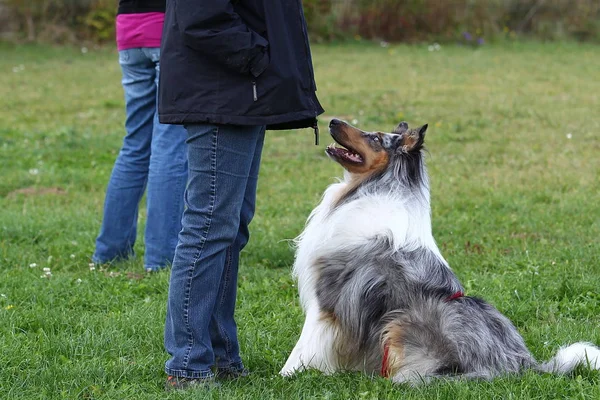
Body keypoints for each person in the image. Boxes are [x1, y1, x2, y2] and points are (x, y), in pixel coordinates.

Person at [158, 0, 324, 390]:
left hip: (241, 92)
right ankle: (187, 365)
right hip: (222, 90)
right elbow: (200, 15)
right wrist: (255, 56)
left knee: (229, 227)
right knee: (208, 227)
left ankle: (220, 356)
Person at [92, 0, 188, 272]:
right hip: (166, 27)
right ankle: (161, 258)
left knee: (135, 145)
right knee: (169, 146)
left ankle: (110, 251)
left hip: (128, 27)